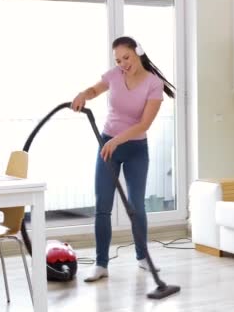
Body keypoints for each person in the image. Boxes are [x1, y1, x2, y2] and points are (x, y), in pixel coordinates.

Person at [71, 36, 175, 282]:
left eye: (126, 57)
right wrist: (83, 94)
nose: (123, 64)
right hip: (108, 146)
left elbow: (144, 124)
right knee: (103, 206)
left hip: (135, 148)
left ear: (137, 52)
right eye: (118, 60)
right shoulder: (115, 75)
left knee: (136, 206)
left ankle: (142, 258)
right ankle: (101, 264)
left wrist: (117, 140)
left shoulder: (153, 84)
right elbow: (96, 89)